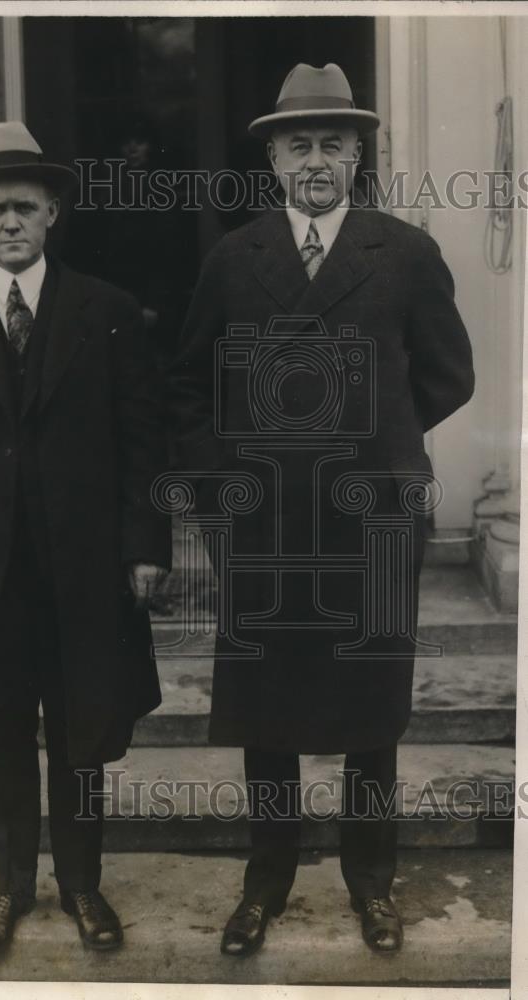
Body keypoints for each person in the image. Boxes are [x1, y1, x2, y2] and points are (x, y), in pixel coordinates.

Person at [167, 63, 474, 957]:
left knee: (369, 709)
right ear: (271, 158)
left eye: (331, 145)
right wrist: (221, 488)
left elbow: (448, 373)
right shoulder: (236, 258)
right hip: (262, 526)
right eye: (296, 144)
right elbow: (188, 386)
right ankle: (266, 881)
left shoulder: (404, 251)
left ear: (356, 155)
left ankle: (371, 883)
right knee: (266, 709)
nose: (314, 161)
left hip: (368, 518)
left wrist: (372, 440)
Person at [0, 121, 170, 954]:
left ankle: (83, 888)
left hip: (82, 567)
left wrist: (146, 545)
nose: (10, 223)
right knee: (7, 731)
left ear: (52, 212)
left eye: (24, 206)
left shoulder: (109, 312)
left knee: (82, 729)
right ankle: (8, 889)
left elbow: (143, 441)